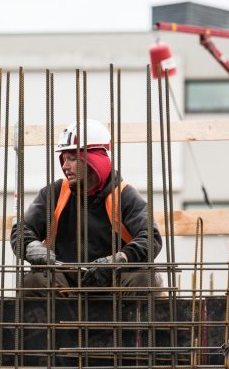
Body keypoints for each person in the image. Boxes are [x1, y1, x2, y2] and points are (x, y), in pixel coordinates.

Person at [11, 118, 163, 294]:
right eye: (64, 158)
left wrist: (118, 260)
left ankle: (133, 321)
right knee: (34, 281)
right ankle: (52, 321)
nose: (65, 166)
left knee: (144, 279)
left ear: (93, 160)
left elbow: (151, 238)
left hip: (114, 282)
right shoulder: (55, 193)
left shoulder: (123, 196)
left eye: (73, 159)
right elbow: (21, 230)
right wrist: (31, 247)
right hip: (66, 284)